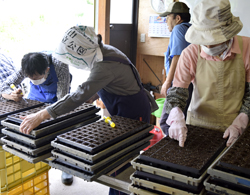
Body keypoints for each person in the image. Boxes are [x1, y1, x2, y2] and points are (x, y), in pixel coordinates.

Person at [18, 26, 158, 195]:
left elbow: (79, 94)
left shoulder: (104, 63)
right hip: (121, 105)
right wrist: (96, 93)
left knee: (122, 159)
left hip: (133, 110)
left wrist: (41, 115)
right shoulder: (103, 51)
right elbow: (103, 82)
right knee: (117, 155)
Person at [160, 0, 250, 148]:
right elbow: (177, 94)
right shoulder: (190, 53)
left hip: (235, 127)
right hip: (198, 127)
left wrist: (242, 120)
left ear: (228, 32)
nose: (207, 45)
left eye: (213, 40)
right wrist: (176, 115)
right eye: (203, 39)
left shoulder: (247, 49)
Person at [0, 52, 74, 185]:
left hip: (57, 93)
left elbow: (62, 101)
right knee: (34, 126)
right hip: (37, 94)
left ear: (47, 70)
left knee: (60, 124)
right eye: (31, 78)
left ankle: (65, 165)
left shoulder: (60, 65)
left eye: (37, 78)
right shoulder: (27, 66)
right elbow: (4, 86)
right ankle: (39, 159)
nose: (34, 80)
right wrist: (11, 95)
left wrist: (43, 115)